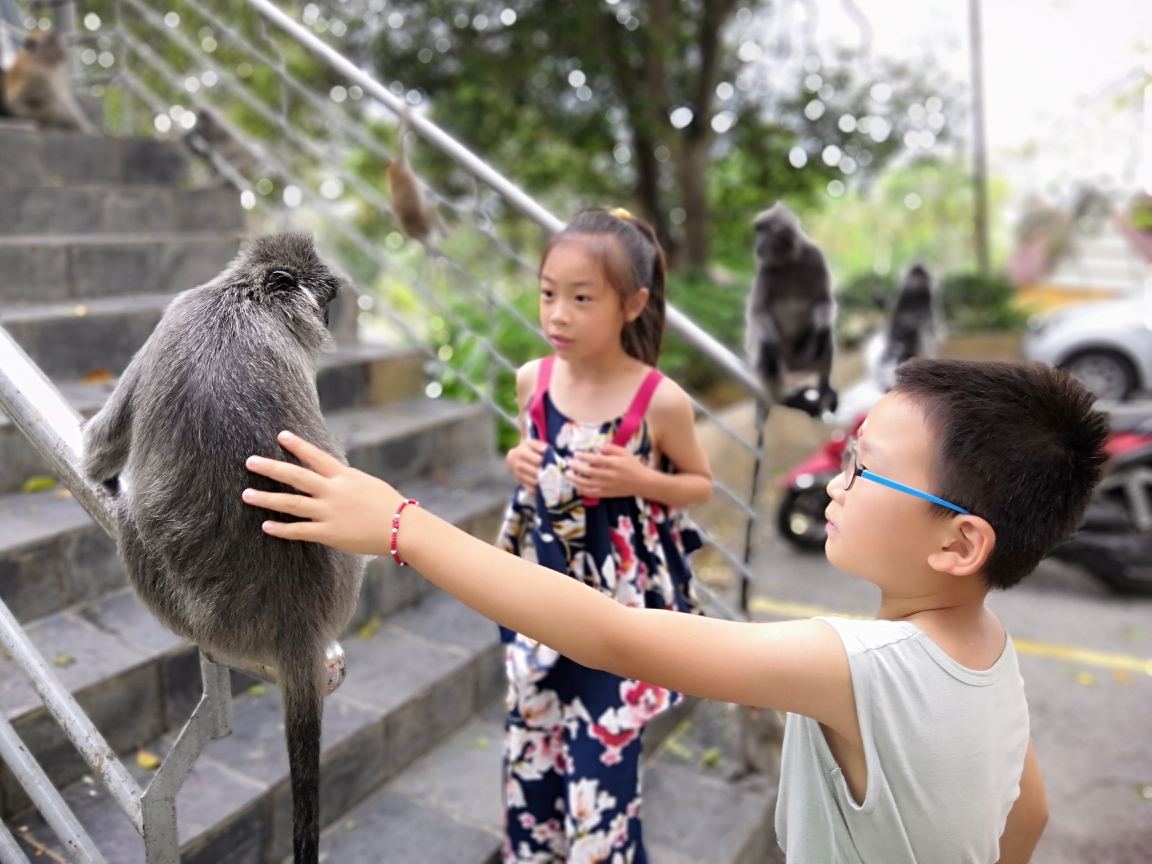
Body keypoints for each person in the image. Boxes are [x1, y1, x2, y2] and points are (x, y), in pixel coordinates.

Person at [243, 359, 1107, 860]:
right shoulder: (989, 651)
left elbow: (616, 634)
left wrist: (400, 525)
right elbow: (1024, 813)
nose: (832, 484)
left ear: (958, 545)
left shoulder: (854, 664)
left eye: (861, 467)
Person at [489, 210, 713, 861]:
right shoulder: (532, 380)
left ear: (632, 304)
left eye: (582, 299)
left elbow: (697, 484)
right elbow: (533, 453)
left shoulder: (657, 400)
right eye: (548, 292)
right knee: (531, 753)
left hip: (621, 618)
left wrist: (640, 477)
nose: (558, 314)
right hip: (538, 604)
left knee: (602, 779)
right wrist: (518, 460)